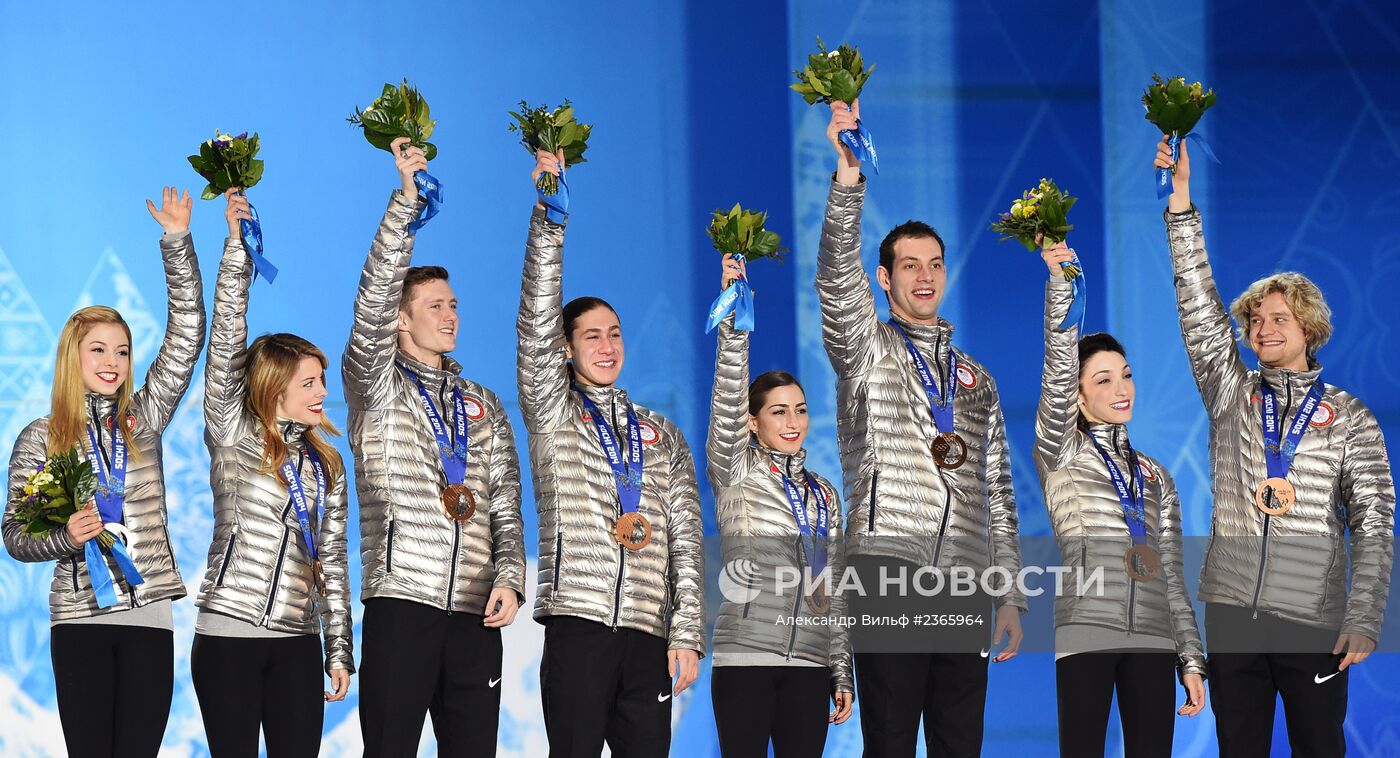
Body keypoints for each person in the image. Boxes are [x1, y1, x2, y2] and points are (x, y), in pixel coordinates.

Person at [1158, 137, 1394, 757]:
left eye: (1277, 319)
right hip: (1234, 611)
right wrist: (1180, 206)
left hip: (1312, 615)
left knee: (1319, 747)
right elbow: (1198, 309)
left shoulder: (1349, 417)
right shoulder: (1232, 394)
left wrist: (1365, 617)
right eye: (1255, 321)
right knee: (1239, 748)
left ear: (1308, 329)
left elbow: (1375, 523)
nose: (1262, 330)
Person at [812, 99, 1026, 757]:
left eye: (934, 264)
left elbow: (997, 493)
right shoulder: (865, 347)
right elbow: (833, 281)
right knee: (892, 742)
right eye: (910, 265)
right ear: (884, 278)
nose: (926, 276)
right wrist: (849, 176)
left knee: (961, 742)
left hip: (962, 579)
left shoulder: (977, 380)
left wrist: (1010, 592)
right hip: (886, 571)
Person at [3, 187, 205, 757]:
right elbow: (15, 535)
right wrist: (67, 535)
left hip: (149, 616)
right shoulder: (41, 437)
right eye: (98, 350)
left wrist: (177, 242)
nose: (112, 362)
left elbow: (188, 334)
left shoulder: (145, 419)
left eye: (121, 351)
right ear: (74, 357)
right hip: (79, 618)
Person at [517, 148, 705, 757]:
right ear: (565, 350)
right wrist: (551, 214)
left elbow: (685, 538)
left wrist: (686, 633)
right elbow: (534, 320)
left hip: (648, 633)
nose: (607, 345)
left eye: (615, 333)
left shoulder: (661, 433)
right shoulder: (553, 410)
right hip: (579, 623)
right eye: (591, 336)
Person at [344, 137, 526, 757]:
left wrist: (509, 577)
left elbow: (504, 498)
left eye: (453, 304)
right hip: (404, 602)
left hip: (477, 610)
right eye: (433, 306)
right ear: (400, 318)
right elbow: (370, 301)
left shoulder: (484, 402)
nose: (449, 315)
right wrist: (405, 202)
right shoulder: (374, 382)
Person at [191, 189, 354, 755]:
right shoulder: (233, 434)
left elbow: (330, 561)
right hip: (228, 634)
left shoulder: (327, 465)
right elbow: (226, 340)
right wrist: (238, 251)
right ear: (273, 387)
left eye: (322, 381)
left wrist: (338, 648)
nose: (322, 393)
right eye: (308, 383)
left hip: (297, 641)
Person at [1031, 240, 1206, 757]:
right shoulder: (1060, 450)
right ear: (1078, 396)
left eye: (1125, 374)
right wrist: (1061, 284)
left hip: (1154, 636)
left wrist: (1191, 661)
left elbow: (1172, 572)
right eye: (1103, 380)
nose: (1121, 387)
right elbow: (1056, 368)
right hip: (1086, 626)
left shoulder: (1157, 476)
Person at [706, 254, 854, 757]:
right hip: (746, 657)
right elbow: (728, 396)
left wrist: (841, 670)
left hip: (810, 667)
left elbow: (832, 585)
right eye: (778, 411)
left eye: (801, 410)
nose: (793, 422)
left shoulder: (824, 493)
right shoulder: (736, 468)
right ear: (751, 421)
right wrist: (733, 319)